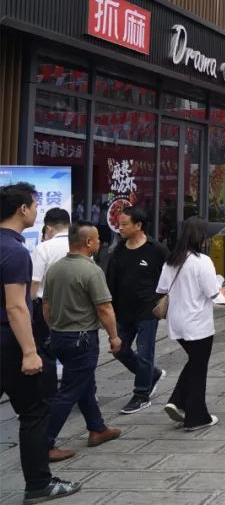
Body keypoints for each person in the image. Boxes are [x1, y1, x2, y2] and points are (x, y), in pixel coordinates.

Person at [0, 183, 81, 502]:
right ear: (22, 209)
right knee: (34, 412)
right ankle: (39, 484)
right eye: (34, 205)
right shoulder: (15, 251)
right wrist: (30, 352)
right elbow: (16, 306)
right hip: (10, 341)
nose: (37, 210)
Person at [43, 221, 123, 457]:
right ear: (88, 242)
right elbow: (104, 308)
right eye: (97, 239)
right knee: (69, 391)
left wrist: (55, 328)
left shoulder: (55, 269)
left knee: (84, 384)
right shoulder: (91, 270)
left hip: (59, 336)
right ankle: (44, 444)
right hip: (82, 338)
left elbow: (46, 306)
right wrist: (114, 336)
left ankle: (97, 428)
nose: (100, 242)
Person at [157, 217, 220, 431]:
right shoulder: (203, 261)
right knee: (198, 368)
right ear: (200, 237)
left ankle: (177, 401)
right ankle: (196, 417)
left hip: (177, 321)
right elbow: (212, 292)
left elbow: (162, 288)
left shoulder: (172, 260)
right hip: (198, 323)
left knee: (194, 362)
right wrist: (219, 281)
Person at [108, 206, 168, 415]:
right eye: (120, 224)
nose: (120, 228)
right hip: (123, 311)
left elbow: (169, 276)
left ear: (138, 225)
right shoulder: (118, 251)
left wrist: (164, 302)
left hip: (147, 310)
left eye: (125, 224)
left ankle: (141, 395)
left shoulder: (156, 250)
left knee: (144, 353)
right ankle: (152, 375)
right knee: (119, 350)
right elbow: (111, 281)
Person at [30, 208, 71, 346]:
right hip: (76, 305)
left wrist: (29, 307)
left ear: (48, 228)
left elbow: (34, 283)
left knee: (46, 348)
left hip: (47, 308)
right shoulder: (81, 245)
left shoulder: (43, 248)